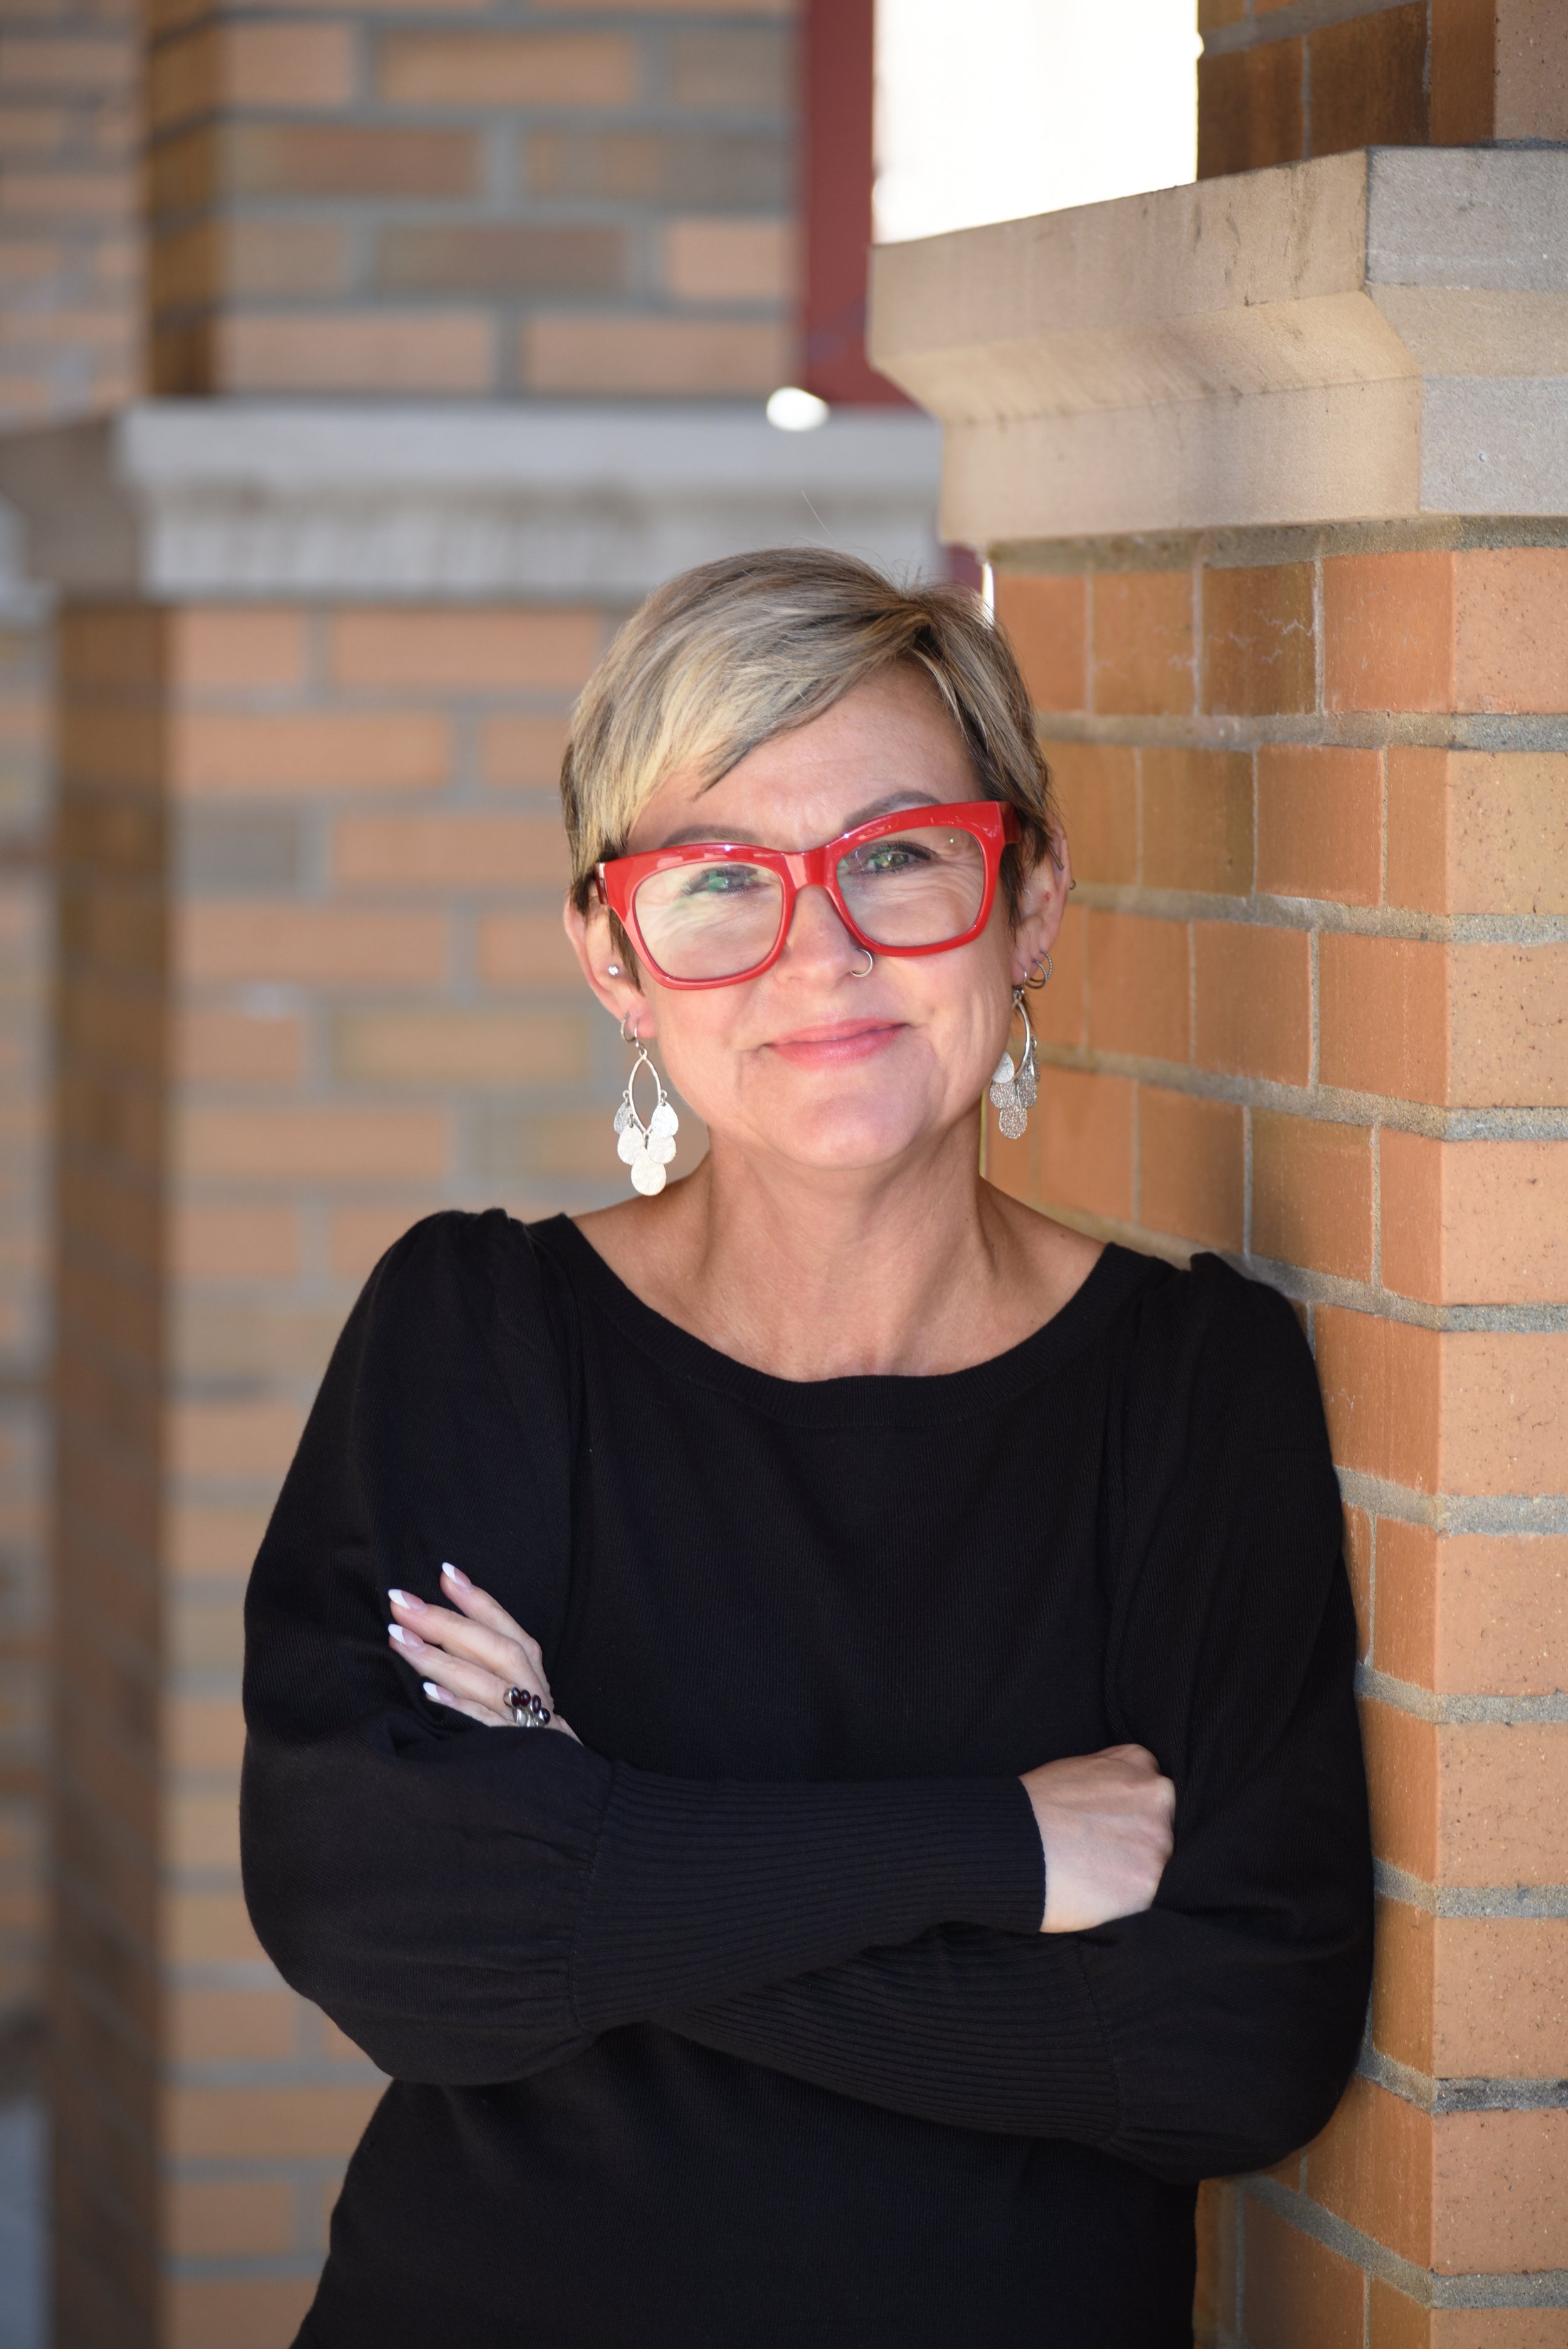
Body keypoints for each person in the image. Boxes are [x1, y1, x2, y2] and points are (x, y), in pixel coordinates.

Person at [241, 548, 1372, 2348]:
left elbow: (1227, 2049)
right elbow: (392, 1929)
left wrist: (589, 1832)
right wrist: (992, 1850)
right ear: (614, 960)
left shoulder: (1186, 1388)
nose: (819, 951)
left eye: (895, 856)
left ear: (1029, 905)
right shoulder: (481, 1334)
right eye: (715, 884)